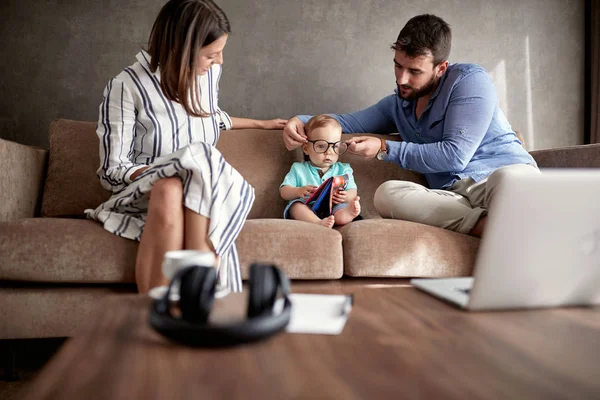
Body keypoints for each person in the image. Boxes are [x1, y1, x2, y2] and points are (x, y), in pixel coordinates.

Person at [85, 0, 287, 294]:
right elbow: (112, 170)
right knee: (177, 177)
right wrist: (172, 169)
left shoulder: (208, 75)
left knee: (181, 181)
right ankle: (205, 289)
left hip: (195, 189)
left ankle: (174, 303)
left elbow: (206, 117)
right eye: (212, 55)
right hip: (141, 193)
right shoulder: (126, 86)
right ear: (180, 50)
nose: (219, 62)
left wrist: (264, 124)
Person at [282, 14, 539, 238]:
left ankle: (508, 225)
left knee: (510, 179)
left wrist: (385, 147)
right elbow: (348, 121)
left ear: (441, 68)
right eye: (398, 65)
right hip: (453, 197)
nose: (402, 79)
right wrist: (300, 120)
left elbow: (455, 156)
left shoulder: (470, 81)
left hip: (495, 179)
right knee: (387, 194)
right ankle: (493, 227)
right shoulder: (398, 105)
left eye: (414, 71)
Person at [280, 115, 361, 228]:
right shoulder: (298, 169)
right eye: (321, 146)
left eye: (335, 146)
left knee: (341, 207)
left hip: (334, 206)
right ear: (306, 148)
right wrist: (298, 191)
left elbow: (353, 191)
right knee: (296, 207)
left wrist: (346, 196)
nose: (329, 152)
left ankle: (346, 214)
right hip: (308, 206)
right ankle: (317, 222)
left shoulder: (344, 169)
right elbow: (283, 191)